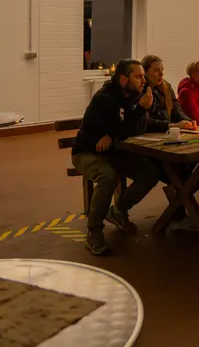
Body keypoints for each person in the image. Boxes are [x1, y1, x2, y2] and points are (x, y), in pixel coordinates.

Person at [71, 60, 160, 255]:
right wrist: (119, 129)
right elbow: (122, 127)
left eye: (143, 76)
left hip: (114, 151)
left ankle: (118, 210)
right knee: (108, 177)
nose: (143, 81)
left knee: (150, 173)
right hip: (87, 152)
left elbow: (134, 128)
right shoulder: (105, 98)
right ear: (123, 78)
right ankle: (94, 231)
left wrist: (171, 126)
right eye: (139, 76)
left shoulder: (131, 96)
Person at [141, 55, 194, 130]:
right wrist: (172, 125)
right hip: (150, 133)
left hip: (167, 130)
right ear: (145, 72)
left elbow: (176, 110)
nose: (161, 74)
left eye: (162, 70)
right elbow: (145, 121)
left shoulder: (166, 87)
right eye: (156, 70)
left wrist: (188, 121)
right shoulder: (140, 89)